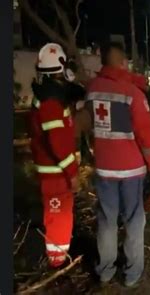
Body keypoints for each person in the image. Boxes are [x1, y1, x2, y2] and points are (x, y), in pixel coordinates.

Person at [84, 42, 150, 286]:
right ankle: (132, 274)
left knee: (107, 221)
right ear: (122, 63)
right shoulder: (132, 93)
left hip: (105, 169)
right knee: (134, 221)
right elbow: (145, 134)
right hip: (131, 171)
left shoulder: (93, 89)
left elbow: (86, 125)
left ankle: (105, 272)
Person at [29, 43, 79, 268]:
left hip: (55, 174)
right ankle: (56, 265)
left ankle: (59, 258)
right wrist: (73, 172)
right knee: (58, 218)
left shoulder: (51, 95)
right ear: (60, 69)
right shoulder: (50, 102)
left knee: (61, 217)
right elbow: (58, 144)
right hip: (55, 176)